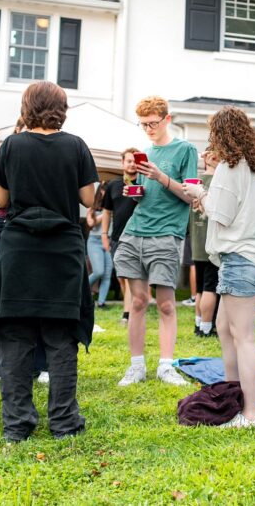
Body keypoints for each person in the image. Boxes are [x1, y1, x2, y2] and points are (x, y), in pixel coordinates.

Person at [0, 81, 98, 441]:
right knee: (61, 340)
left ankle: (17, 426)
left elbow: (1, 198)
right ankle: (64, 423)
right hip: (62, 249)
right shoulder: (76, 146)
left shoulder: (12, 145)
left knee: (15, 339)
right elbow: (89, 199)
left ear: (26, 106)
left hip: (19, 250)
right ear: (62, 108)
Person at [183, 106, 255, 429]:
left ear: (221, 134)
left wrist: (200, 193)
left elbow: (220, 214)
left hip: (240, 256)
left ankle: (250, 414)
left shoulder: (229, 167)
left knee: (244, 337)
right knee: (224, 328)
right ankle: (232, 398)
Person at [114, 96, 197, 387]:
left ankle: (166, 366)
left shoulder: (185, 150)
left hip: (166, 233)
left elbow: (190, 195)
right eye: (143, 124)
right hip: (136, 231)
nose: (148, 129)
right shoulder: (144, 153)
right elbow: (145, 194)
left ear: (167, 120)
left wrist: (161, 176)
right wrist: (134, 191)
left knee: (165, 305)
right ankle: (136, 367)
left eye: (153, 123)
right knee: (137, 301)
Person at [100, 147, 140, 324]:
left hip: (136, 236)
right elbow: (107, 212)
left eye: (135, 161)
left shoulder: (143, 184)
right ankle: (131, 307)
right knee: (121, 277)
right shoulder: (113, 185)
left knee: (130, 276)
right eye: (129, 161)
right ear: (122, 163)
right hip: (116, 237)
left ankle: (127, 314)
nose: (132, 164)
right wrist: (104, 235)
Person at [190, 150, 219, 337]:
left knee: (200, 288)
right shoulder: (218, 183)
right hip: (212, 243)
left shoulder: (195, 183)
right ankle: (207, 328)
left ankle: (199, 323)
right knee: (210, 287)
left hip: (196, 241)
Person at [86, 184, 113, 309]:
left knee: (107, 274)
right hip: (95, 241)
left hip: (108, 241)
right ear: (100, 191)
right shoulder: (93, 205)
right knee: (98, 271)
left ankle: (101, 302)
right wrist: (106, 213)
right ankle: (82, 290)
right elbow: (91, 223)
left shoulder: (113, 204)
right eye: (104, 190)